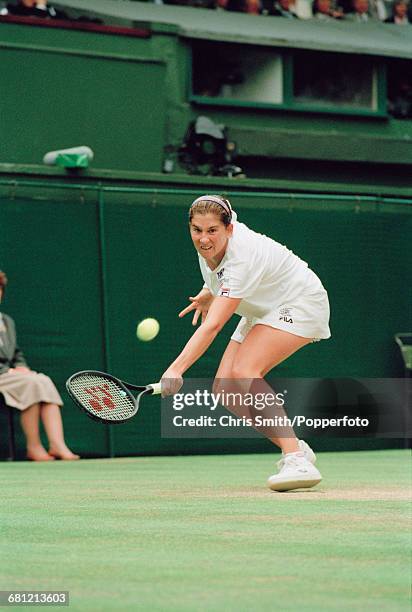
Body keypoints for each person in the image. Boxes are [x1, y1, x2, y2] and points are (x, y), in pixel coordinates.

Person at [161, 195, 331, 491]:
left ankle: (295, 459)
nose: (203, 239)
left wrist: (176, 369)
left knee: (245, 370)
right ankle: (296, 448)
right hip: (263, 306)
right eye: (197, 230)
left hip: (300, 302)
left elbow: (213, 325)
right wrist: (208, 291)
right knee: (225, 389)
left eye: (212, 230)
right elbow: (219, 276)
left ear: (229, 228)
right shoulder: (211, 249)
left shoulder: (242, 255)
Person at [0, 271, 79, 461]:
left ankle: (57, 444)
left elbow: (16, 353)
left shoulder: (7, 321)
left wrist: (21, 367)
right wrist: (8, 371)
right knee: (32, 383)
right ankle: (33, 447)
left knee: (42, 380)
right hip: (3, 375)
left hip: (11, 376)